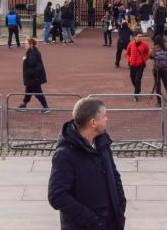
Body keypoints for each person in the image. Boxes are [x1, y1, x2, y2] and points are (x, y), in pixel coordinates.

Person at [47, 97, 126, 230]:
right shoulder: (65, 155)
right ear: (93, 123)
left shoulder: (102, 142)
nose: (107, 119)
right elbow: (57, 196)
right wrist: (93, 221)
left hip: (112, 223)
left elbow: (114, 174)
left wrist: (120, 205)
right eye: (104, 116)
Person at [18, 37, 49, 111]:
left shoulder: (32, 53)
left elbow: (32, 63)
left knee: (38, 92)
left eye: (26, 43)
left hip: (34, 77)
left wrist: (25, 60)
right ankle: (24, 104)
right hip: (33, 77)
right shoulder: (32, 51)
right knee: (28, 90)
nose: (25, 45)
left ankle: (46, 107)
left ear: (31, 44)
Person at [123, 31, 150, 100]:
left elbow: (147, 53)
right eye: (139, 36)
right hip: (132, 65)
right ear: (135, 37)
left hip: (140, 65)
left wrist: (144, 59)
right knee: (132, 79)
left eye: (141, 36)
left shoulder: (145, 44)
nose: (140, 38)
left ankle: (136, 94)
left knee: (138, 79)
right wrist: (129, 59)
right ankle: (138, 88)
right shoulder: (131, 44)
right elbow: (127, 53)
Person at [150, 36, 167, 107]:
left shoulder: (154, 48)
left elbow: (150, 56)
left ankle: (159, 102)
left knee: (158, 85)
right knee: (166, 85)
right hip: (164, 69)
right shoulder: (165, 48)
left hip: (156, 69)